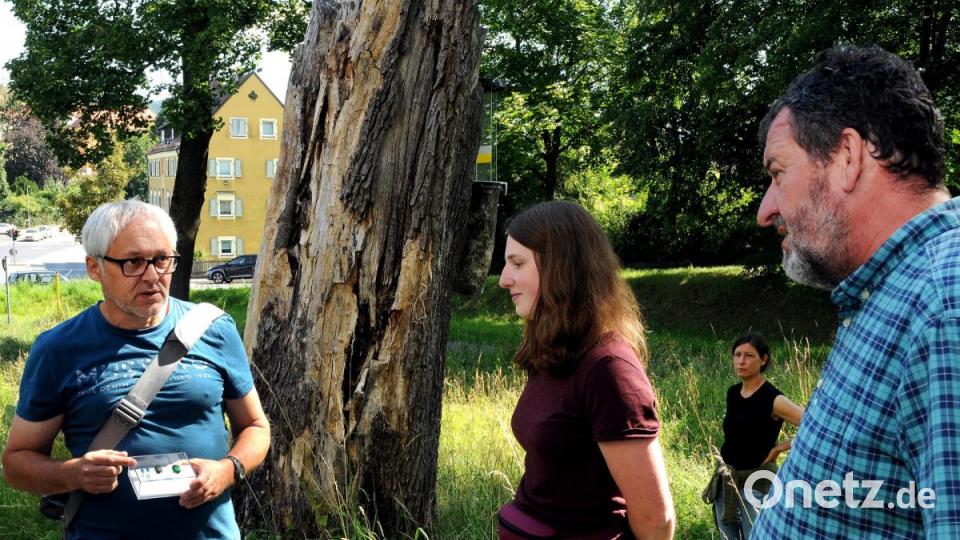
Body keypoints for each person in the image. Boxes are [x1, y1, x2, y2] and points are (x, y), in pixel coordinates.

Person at [751, 45, 960, 538]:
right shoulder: (893, 291)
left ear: (847, 157)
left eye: (778, 173)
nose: (765, 211)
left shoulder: (944, 305)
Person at [1, 200, 270, 539]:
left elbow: (256, 427)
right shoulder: (59, 349)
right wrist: (74, 473)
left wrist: (228, 470)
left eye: (161, 260)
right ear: (95, 267)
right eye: (133, 262)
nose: (152, 276)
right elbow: (16, 463)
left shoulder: (213, 329)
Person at [497, 200, 675, 539]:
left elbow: (656, 520)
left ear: (560, 267)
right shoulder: (556, 353)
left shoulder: (609, 369)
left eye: (517, 263)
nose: (504, 279)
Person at [712, 333, 803, 540]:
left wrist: (781, 447)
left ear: (763, 359)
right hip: (727, 480)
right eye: (737, 355)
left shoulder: (773, 399)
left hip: (757, 483)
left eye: (749, 355)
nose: (741, 361)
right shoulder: (733, 393)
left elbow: (816, 424)